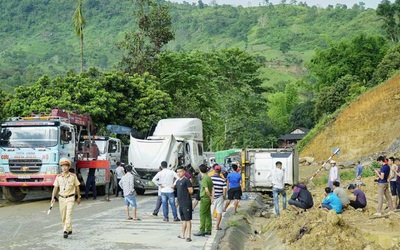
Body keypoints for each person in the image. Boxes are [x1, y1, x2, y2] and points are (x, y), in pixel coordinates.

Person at [51, 158, 81, 239]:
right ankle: (69, 228)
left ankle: (65, 230)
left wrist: (79, 196)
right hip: (61, 199)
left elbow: (77, 186)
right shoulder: (58, 177)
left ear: (69, 167)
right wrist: (53, 198)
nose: (64, 168)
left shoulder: (73, 176)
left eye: (66, 166)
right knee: (63, 215)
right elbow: (55, 188)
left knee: (69, 214)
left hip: (70, 198)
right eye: (62, 166)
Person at [194, 164, 213, 237]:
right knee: (208, 214)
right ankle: (208, 229)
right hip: (207, 199)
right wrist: (211, 197)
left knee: (202, 215)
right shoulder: (209, 177)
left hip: (204, 198)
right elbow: (212, 188)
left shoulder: (204, 178)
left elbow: (207, 190)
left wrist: (210, 196)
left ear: (199, 170)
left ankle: (202, 230)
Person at [175, 166, 194, 242]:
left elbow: (191, 191)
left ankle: (189, 236)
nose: (179, 173)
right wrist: (177, 202)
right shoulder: (178, 181)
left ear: (184, 172)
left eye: (180, 171)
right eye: (177, 172)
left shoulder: (187, 181)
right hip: (181, 203)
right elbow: (178, 193)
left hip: (186, 203)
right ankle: (182, 234)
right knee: (183, 220)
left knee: (188, 219)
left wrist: (186, 193)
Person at [210, 165, 227, 230]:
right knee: (219, 212)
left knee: (210, 212)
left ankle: (208, 226)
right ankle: (217, 226)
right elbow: (224, 190)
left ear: (214, 171)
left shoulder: (210, 178)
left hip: (212, 197)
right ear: (220, 172)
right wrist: (224, 197)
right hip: (220, 197)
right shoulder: (222, 180)